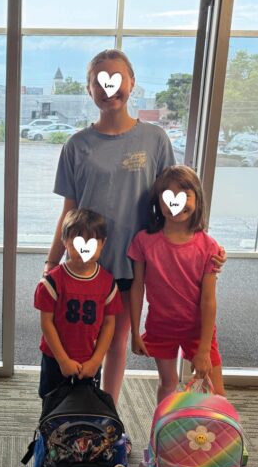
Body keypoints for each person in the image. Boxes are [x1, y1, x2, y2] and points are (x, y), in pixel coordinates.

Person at [45, 48, 226, 404]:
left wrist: (206, 247)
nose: (107, 88)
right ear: (89, 89)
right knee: (78, 339)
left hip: (134, 265)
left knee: (115, 343)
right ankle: (75, 412)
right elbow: (69, 209)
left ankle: (106, 415)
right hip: (85, 265)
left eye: (115, 79)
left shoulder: (154, 139)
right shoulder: (76, 146)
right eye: (98, 81)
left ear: (131, 84)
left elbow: (176, 201)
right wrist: (52, 262)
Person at [128, 165, 225, 403]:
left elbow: (208, 300)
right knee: (167, 384)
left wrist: (203, 350)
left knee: (216, 394)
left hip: (198, 329)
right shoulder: (144, 241)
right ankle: (160, 436)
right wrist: (134, 332)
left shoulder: (208, 247)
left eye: (184, 195)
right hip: (161, 326)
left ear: (197, 199)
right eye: (167, 196)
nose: (176, 204)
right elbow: (137, 287)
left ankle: (211, 440)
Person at [35, 209, 123, 399]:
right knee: (52, 405)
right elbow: (46, 323)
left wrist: (97, 360)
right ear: (65, 241)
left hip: (89, 360)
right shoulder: (52, 282)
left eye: (92, 243)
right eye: (77, 243)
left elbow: (109, 324)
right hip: (55, 358)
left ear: (103, 244)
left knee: (85, 405)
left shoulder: (107, 283)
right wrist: (63, 360)